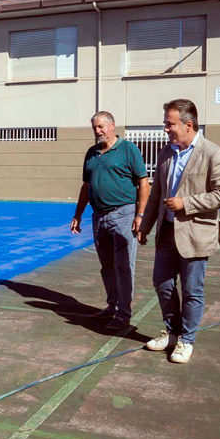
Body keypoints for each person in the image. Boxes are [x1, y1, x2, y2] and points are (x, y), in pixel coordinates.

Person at [137, 99, 220, 364]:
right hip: (166, 231)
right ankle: (172, 332)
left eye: (169, 124)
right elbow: (156, 192)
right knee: (162, 283)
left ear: (188, 124)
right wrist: (145, 225)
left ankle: (187, 340)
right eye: (165, 124)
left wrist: (187, 204)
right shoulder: (166, 153)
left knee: (193, 290)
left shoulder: (214, 153)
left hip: (196, 233)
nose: (165, 129)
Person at [70, 111, 150, 331]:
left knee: (124, 265)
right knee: (107, 266)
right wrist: (78, 215)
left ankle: (124, 314)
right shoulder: (91, 153)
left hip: (123, 215)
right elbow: (87, 186)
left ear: (112, 126)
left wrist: (140, 215)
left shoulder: (128, 150)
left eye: (101, 127)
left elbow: (144, 183)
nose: (98, 132)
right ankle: (112, 306)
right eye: (95, 128)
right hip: (99, 217)